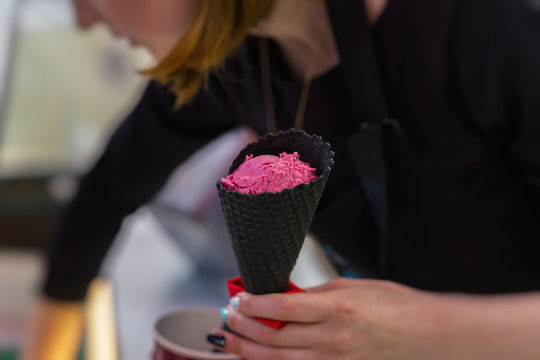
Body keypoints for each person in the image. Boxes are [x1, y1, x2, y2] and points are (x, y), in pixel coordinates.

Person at [23, 0, 540, 359]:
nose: (83, 17)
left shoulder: (477, 25)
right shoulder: (233, 58)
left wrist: (421, 336)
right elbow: (103, 196)